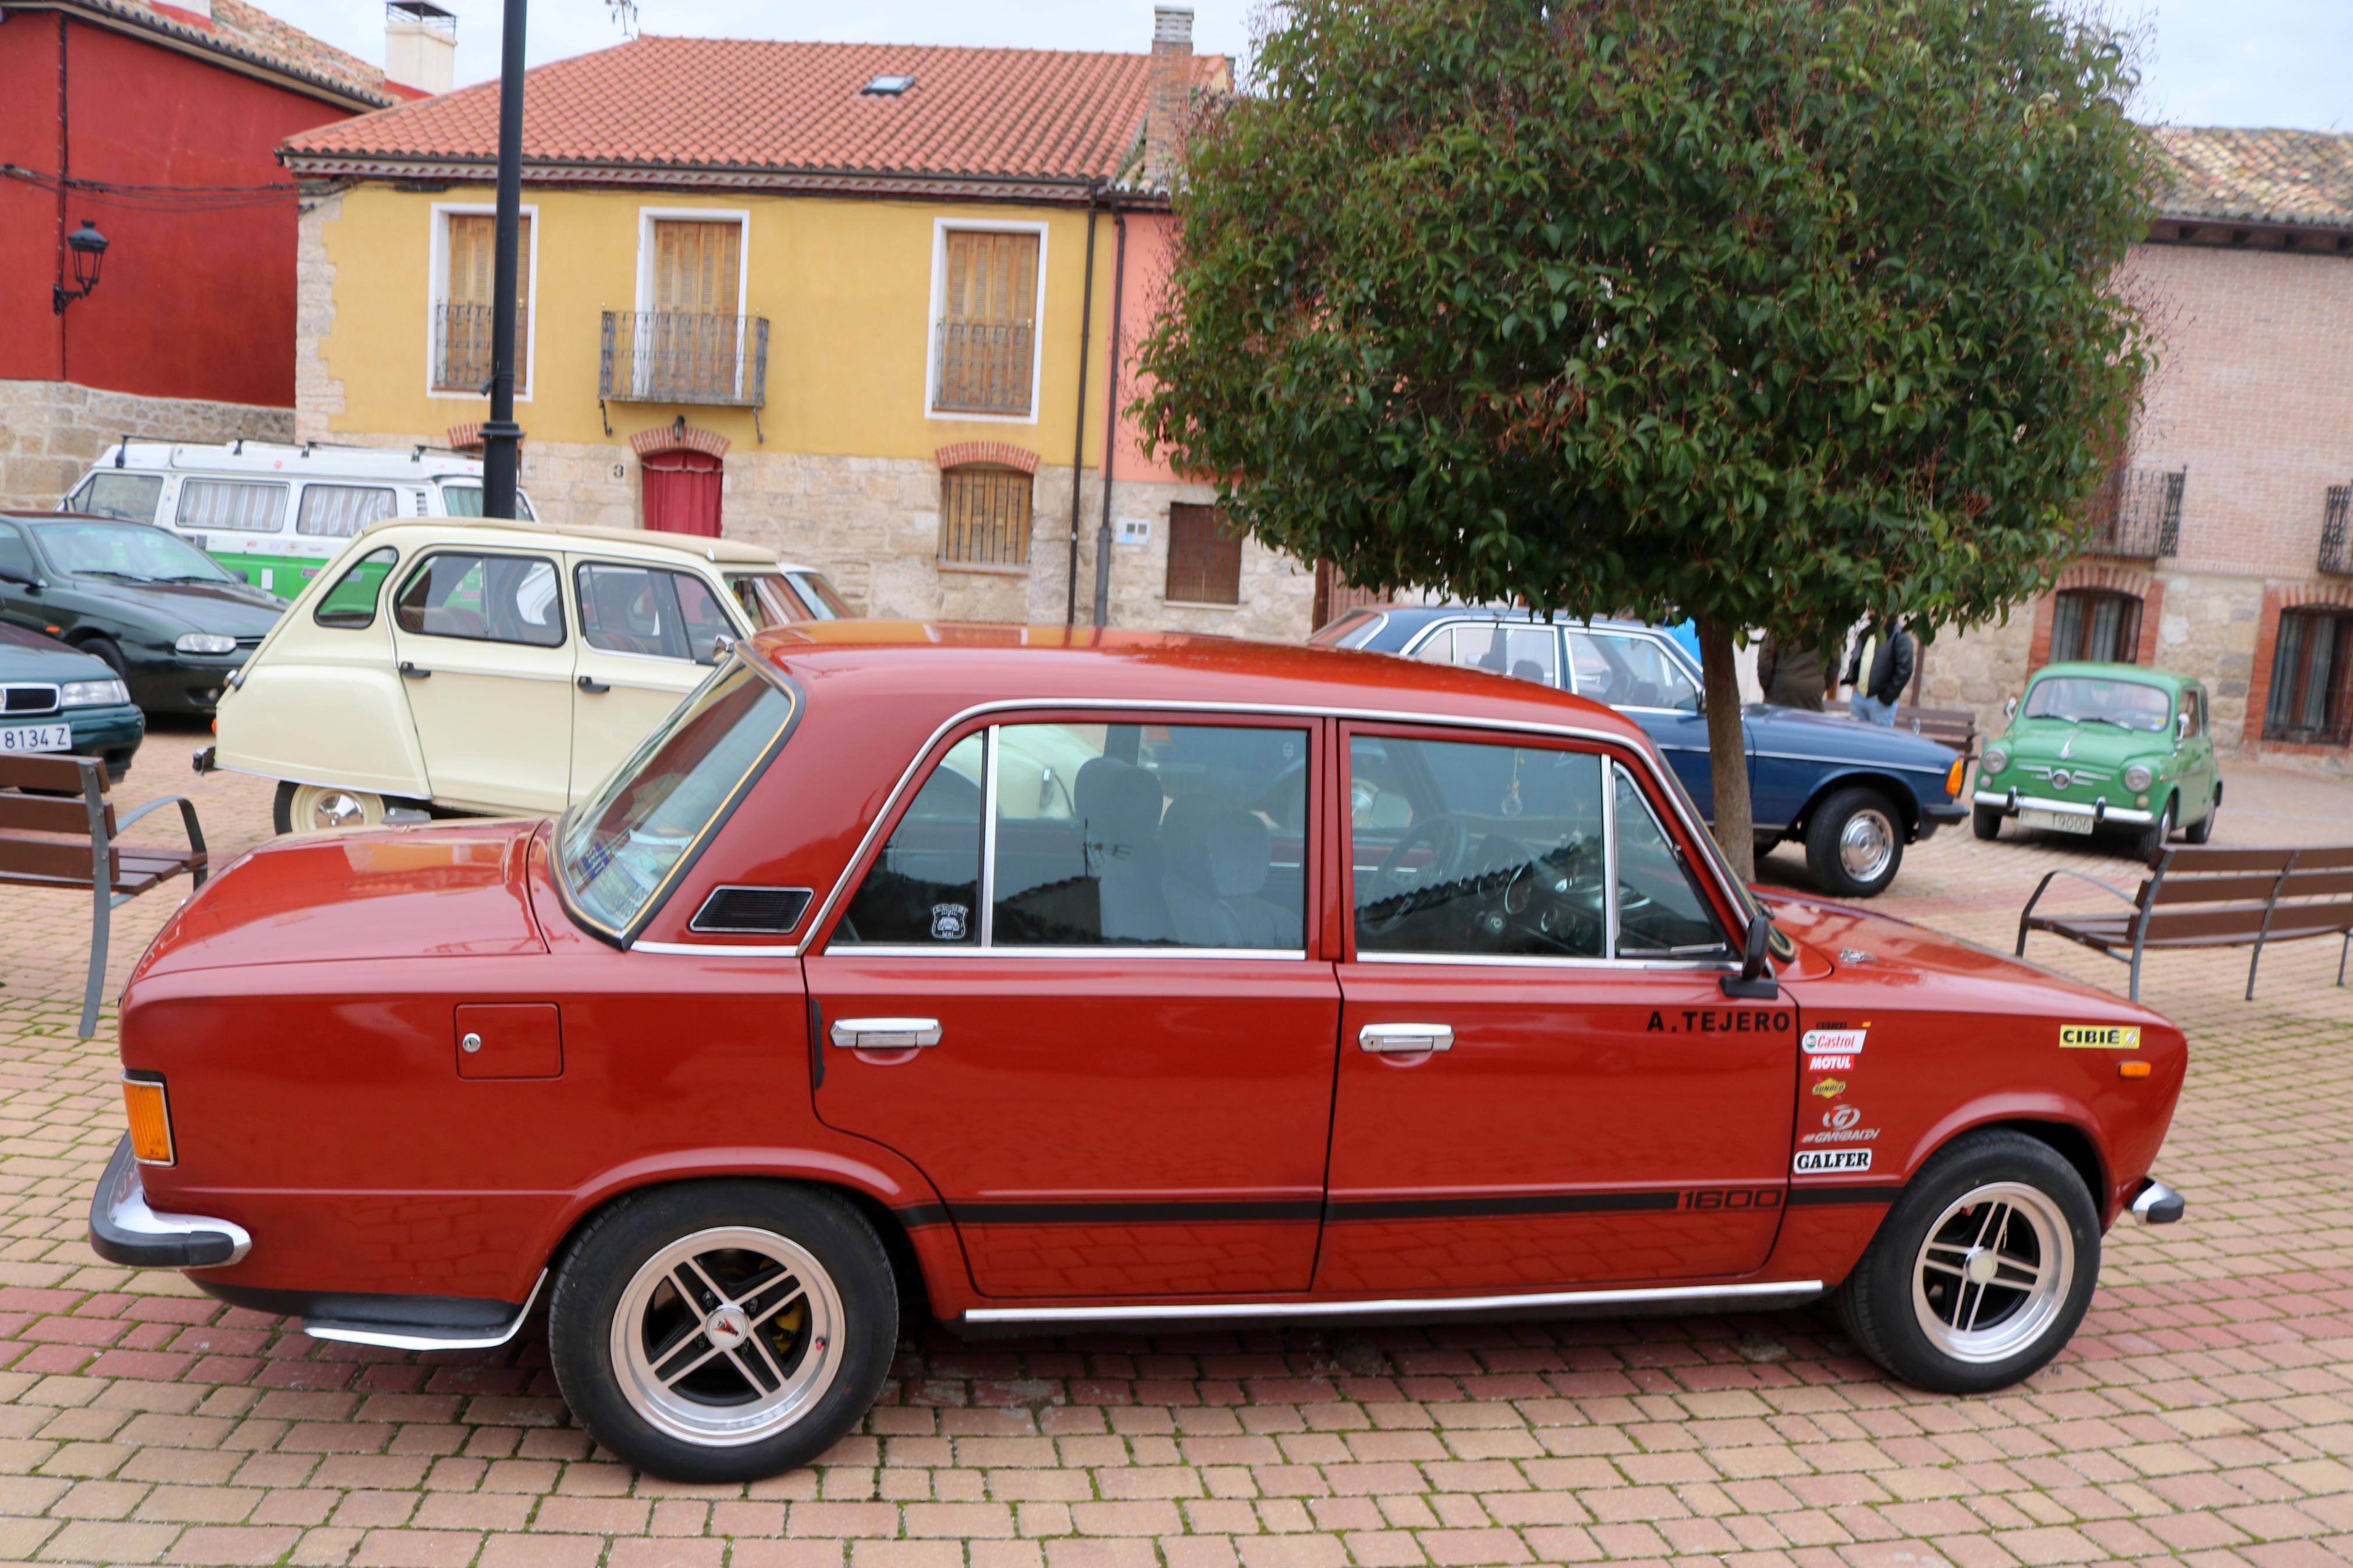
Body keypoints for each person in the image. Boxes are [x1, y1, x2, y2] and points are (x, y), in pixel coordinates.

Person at [1843, 618, 1916, 726]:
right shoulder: (1866, 632)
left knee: (1878, 739)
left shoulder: (1899, 635)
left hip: (1880, 703)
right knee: (1856, 739)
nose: (1871, 613)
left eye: (1875, 609)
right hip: (1859, 697)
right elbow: (1856, 656)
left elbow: (1906, 668)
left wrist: (1887, 697)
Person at [1758, 635, 1827, 711]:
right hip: (1812, 698)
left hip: (1780, 695)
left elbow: (1764, 661)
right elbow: (1835, 666)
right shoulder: (1828, 631)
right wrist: (1818, 684)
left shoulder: (1777, 629)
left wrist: (1769, 687)